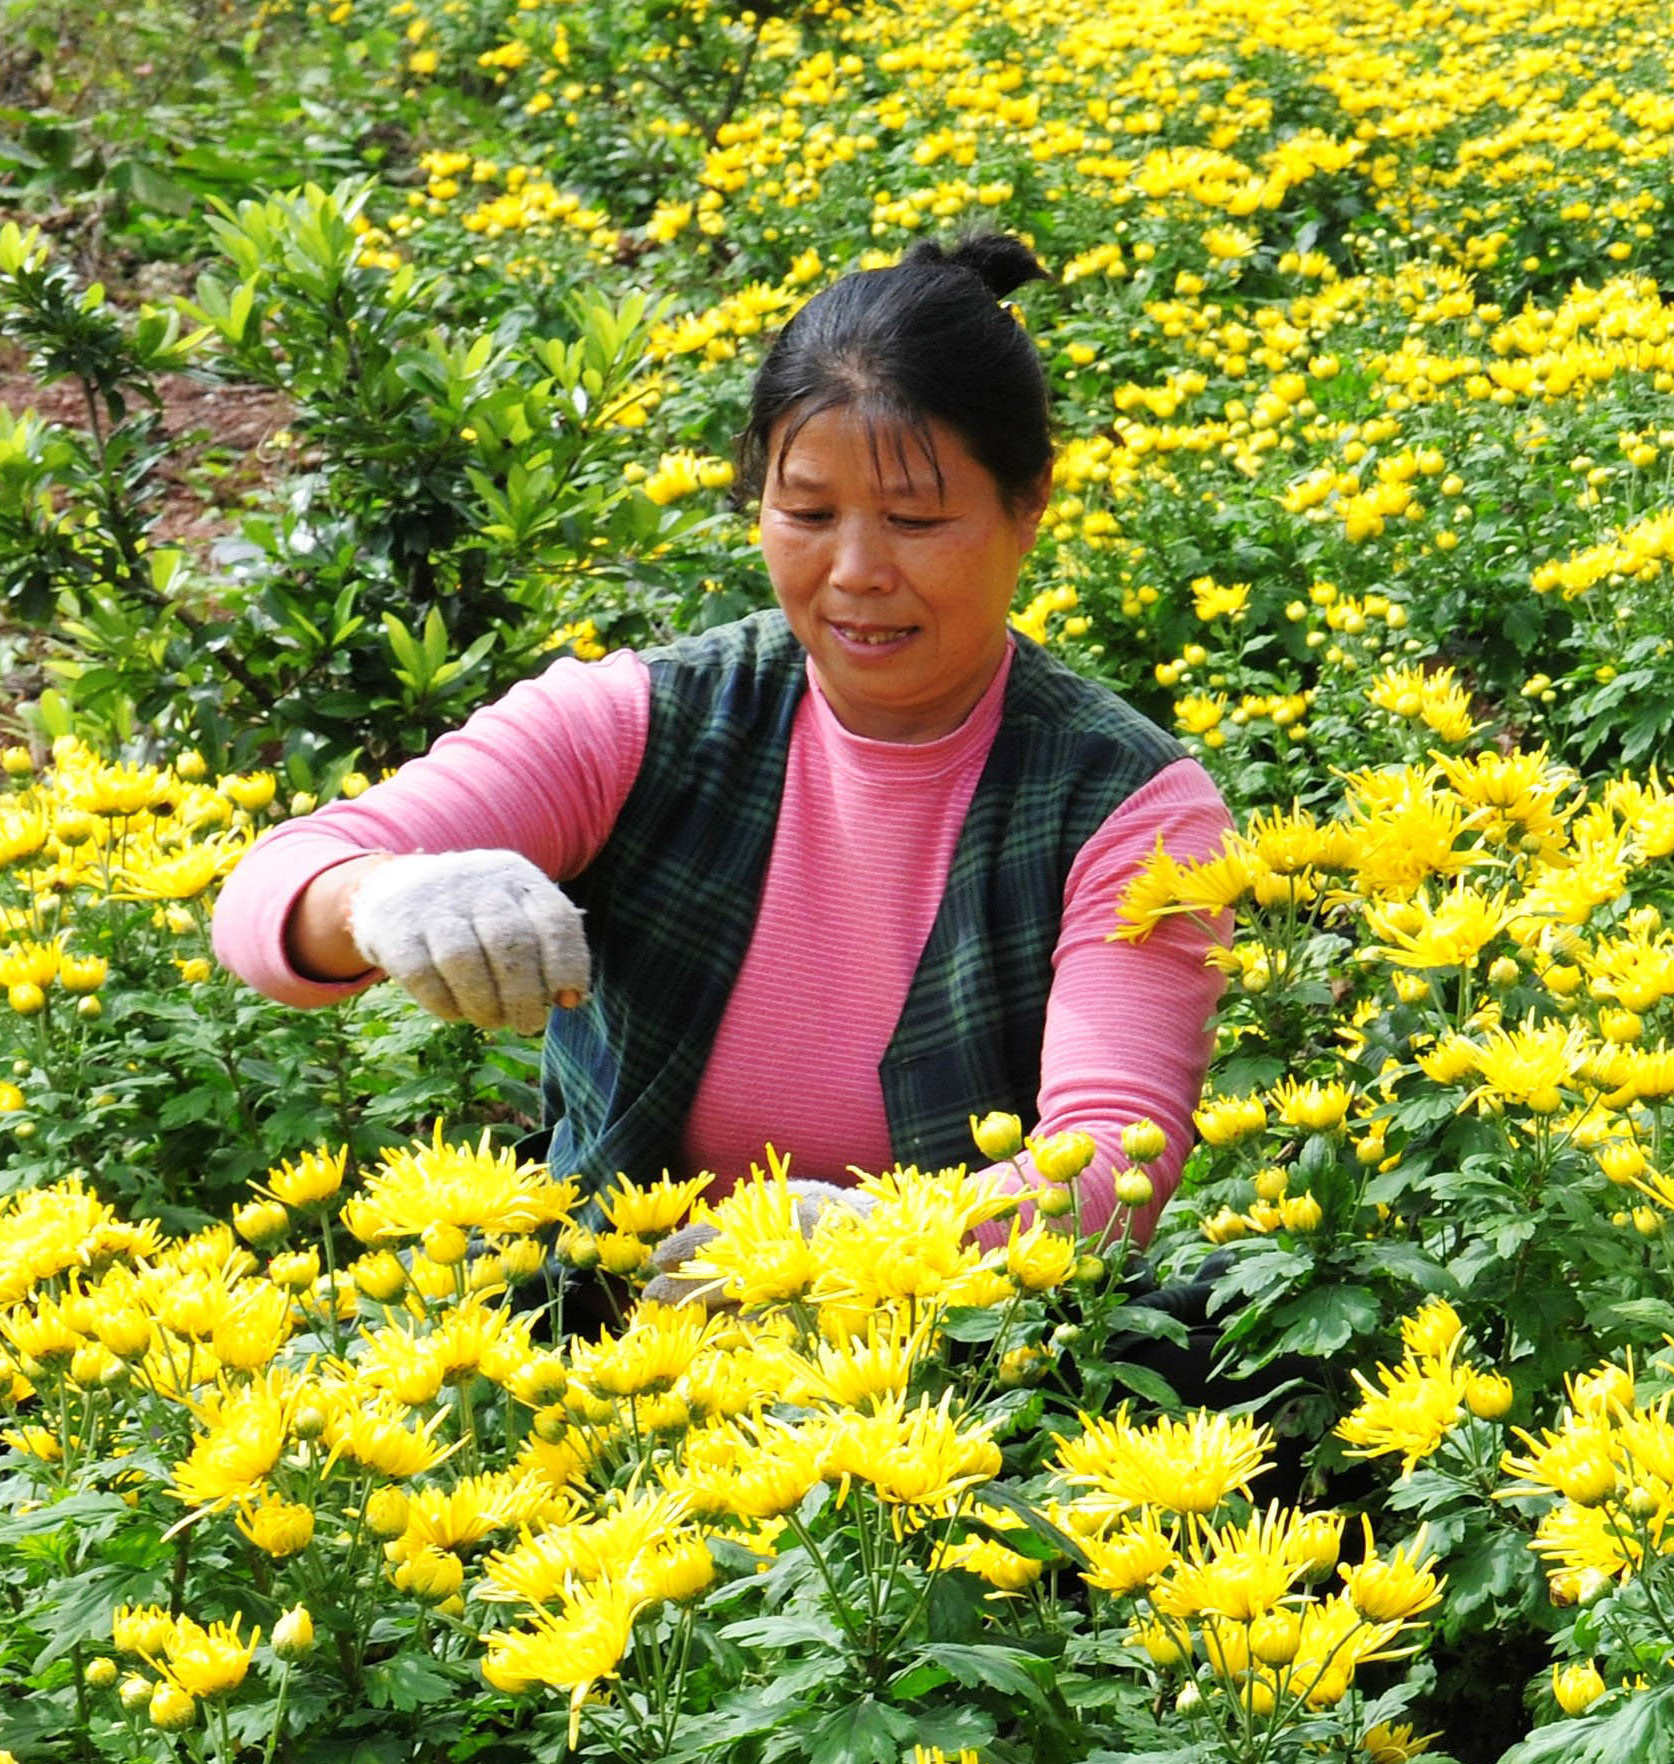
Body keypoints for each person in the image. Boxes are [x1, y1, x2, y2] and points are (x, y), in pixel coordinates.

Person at [213, 234, 1227, 1251]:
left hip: (961, 1345)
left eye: (916, 521)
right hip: (602, 1328)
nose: (856, 571)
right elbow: (273, 891)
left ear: (1029, 503)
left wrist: (866, 1246)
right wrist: (380, 897)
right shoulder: (646, 721)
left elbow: (1112, 1163)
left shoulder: (1123, 805)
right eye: (808, 512)